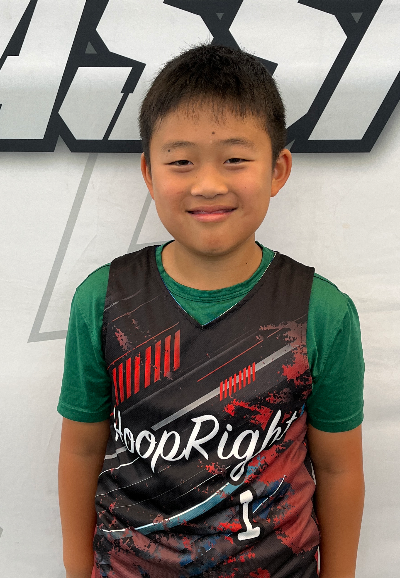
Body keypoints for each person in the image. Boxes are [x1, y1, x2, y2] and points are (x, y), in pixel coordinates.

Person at [58, 44, 364, 578]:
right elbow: (82, 451)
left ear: (278, 169)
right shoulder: (104, 299)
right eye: (181, 162)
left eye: (234, 159)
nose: (207, 184)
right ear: (149, 172)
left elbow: (338, 469)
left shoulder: (321, 311)